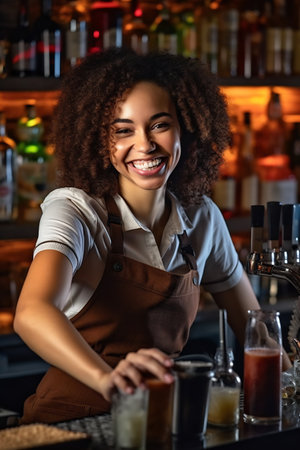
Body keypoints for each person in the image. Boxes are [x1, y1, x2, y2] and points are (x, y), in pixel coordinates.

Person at [13, 47, 289, 425]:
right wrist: (107, 378)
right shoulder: (76, 210)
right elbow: (31, 312)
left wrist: (291, 383)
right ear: (98, 140)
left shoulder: (201, 217)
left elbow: (256, 326)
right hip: (69, 421)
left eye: (160, 125)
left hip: (160, 421)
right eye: (123, 131)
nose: (144, 145)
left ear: (186, 128)